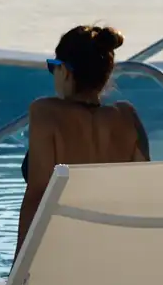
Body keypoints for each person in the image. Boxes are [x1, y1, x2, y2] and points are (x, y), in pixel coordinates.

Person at [17, 24, 148, 252]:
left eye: (53, 67)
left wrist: (19, 263)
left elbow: (36, 195)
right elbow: (143, 191)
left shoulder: (46, 112)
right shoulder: (128, 118)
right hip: (114, 248)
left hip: (64, 249)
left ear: (65, 71)